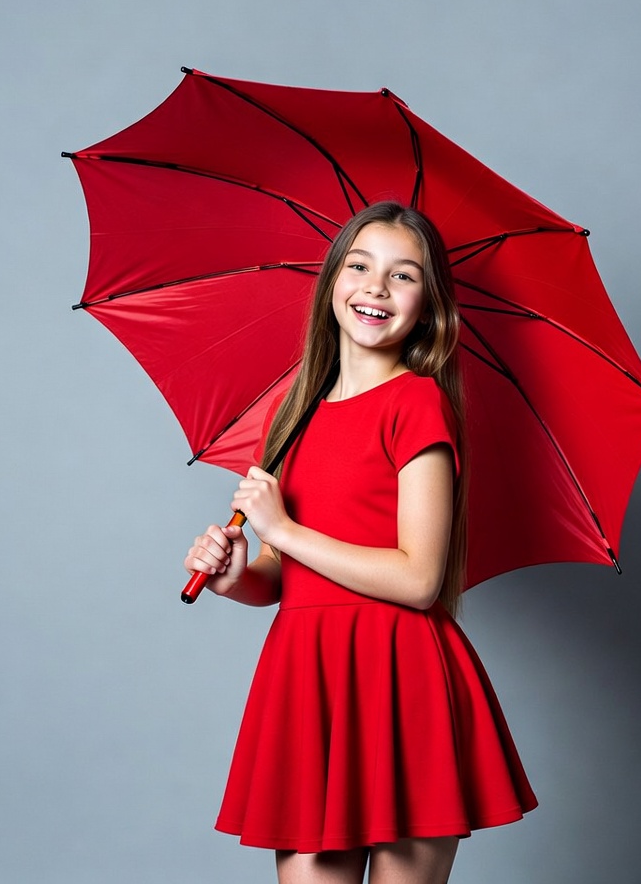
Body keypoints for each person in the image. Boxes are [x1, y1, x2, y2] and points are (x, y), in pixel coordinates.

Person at [183, 202, 537, 884]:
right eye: (359, 266)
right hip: (309, 677)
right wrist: (237, 575)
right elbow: (281, 576)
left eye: (403, 276)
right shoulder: (291, 416)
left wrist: (282, 527)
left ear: (428, 307)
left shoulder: (418, 403)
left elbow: (418, 580)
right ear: (331, 284)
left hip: (401, 680)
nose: (376, 287)